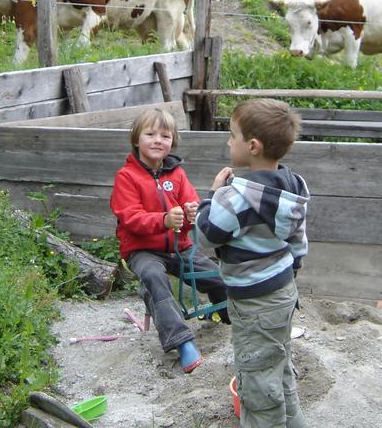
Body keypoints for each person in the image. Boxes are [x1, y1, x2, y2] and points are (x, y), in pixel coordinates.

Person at [196, 99, 310, 428]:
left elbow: (205, 238)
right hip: (283, 293)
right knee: (278, 366)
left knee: (258, 383)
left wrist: (212, 195)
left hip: (254, 303)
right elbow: (298, 242)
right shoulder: (294, 187)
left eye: (232, 135)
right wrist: (288, 274)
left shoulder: (236, 198)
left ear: (253, 146)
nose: (228, 141)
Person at [109, 106, 228, 374]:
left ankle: (230, 317)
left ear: (172, 141)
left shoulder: (177, 174)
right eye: (150, 134)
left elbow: (190, 209)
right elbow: (130, 218)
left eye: (165, 136)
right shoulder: (126, 177)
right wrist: (162, 220)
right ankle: (182, 341)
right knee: (154, 278)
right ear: (136, 139)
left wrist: (190, 214)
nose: (157, 140)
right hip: (142, 250)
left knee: (217, 275)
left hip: (179, 246)